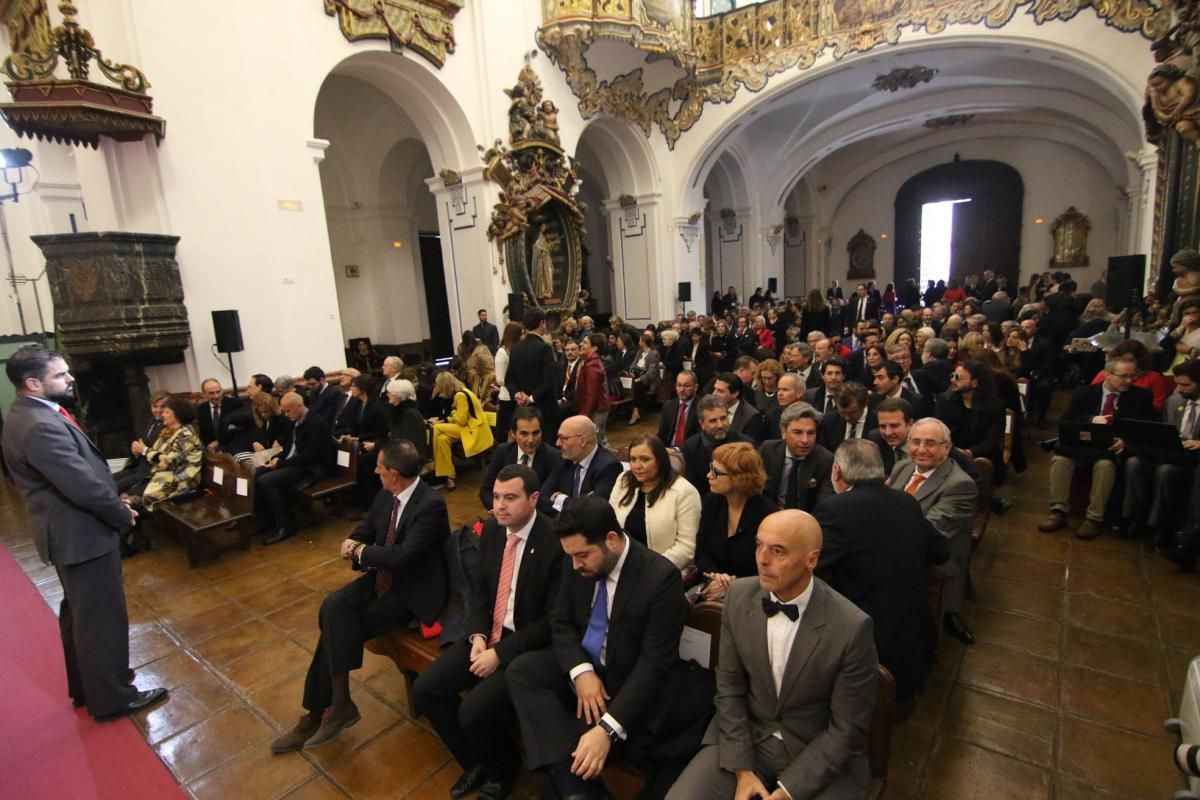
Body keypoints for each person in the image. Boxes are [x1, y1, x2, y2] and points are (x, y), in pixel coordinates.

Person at [1, 344, 167, 720]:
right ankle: (113, 698)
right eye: (59, 375)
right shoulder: (40, 425)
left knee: (80, 614)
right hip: (81, 535)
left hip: (69, 532)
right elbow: (82, 486)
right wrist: (122, 514)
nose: (70, 378)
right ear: (32, 384)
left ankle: (86, 688)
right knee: (101, 620)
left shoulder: (25, 414)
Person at [667, 509, 878, 800]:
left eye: (778, 551)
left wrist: (786, 792)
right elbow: (728, 688)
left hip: (817, 753)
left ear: (811, 559)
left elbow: (846, 730)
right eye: (759, 546)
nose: (762, 560)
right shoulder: (739, 597)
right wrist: (742, 770)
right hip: (745, 740)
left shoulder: (851, 627)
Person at [271, 440, 448, 753]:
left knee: (341, 625)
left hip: (413, 591)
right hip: (382, 578)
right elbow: (366, 529)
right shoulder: (386, 495)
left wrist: (361, 551)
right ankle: (337, 704)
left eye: (380, 468)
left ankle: (321, 711)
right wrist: (352, 541)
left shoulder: (430, 505)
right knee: (333, 606)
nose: (375, 471)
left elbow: (403, 557)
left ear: (394, 474)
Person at [506, 495, 688, 800]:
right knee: (522, 672)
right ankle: (573, 786)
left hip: (621, 684)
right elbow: (560, 622)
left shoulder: (661, 579)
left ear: (612, 540)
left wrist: (607, 729)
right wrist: (581, 672)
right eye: (571, 556)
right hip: (587, 667)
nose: (575, 564)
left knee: (568, 751)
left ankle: (568, 785)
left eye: (582, 555)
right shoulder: (577, 559)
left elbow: (654, 665)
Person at [412, 465, 563, 800]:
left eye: (510, 498)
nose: (499, 506)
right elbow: (481, 591)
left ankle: (504, 768)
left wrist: (500, 654)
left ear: (534, 499)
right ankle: (476, 762)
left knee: (474, 710)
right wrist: (478, 636)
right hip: (488, 634)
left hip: (524, 647)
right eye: (496, 497)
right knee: (427, 690)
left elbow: (553, 623)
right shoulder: (494, 530)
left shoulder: (554, 543)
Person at [814, 440, 948, 702]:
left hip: (867, 649)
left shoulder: (835, 510)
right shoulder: (906, 502)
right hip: (913, 640)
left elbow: (812, 567)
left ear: (837, 472)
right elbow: (941, 551)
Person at [1039, 358, 1158, 540]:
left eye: (1132, 376)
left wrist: (1125, 441)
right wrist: (1090, 420)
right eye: (1123, 376)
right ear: (1108, 375)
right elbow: (1067, 419)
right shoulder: (1085, 393)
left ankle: (1094, 518)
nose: (1129, 380)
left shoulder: (1140, 397)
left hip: (1111, 450)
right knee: (1060, 460)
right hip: (1082, 446)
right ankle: (1058, 511)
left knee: (1104, 466)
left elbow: (1146, 429)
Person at [888, 418, 978, 645]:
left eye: (930, 443)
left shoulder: (960, 485)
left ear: (947, 448)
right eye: (915, 442)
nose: (921, 450)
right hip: (895, 543)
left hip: (932, 557)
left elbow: (929, 532)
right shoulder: (903, 467)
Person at [1121, 358, 1200, 546]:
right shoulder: (1174, 401)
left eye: (1185, 385)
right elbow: (1164, 427)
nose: (1179, 389)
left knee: (1165, 471)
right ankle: (1132, 517)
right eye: (1177, 384)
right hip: (1168, 451)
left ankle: (1158, 526)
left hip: (1192, 459)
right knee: (1134, 463)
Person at [694, 442, 779, 600]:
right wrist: (716, 577)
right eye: (710, 468)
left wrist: (732, 586)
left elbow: (767, 566)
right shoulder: (712, 501)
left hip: (753, 593)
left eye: (716, 472)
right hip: (711, 583)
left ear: (740, 478)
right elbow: (701, 547)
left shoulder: (767, 515)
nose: (709, 475)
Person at [609, 434, 701, 570]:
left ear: (660, 460)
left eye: (645, 460)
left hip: (661, 570)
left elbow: (686, 548)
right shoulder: (624, 480)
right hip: (620, 564)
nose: (637, 466)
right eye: (632, 460)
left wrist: (651, 570)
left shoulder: (684, 492)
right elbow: (610, 524)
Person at [254, 391, 335, 544]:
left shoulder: (316, 423)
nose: (285, 414)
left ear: (299, 406)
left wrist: (281, 463)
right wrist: (277, 459)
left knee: (267, 481)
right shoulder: (294, 421)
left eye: (287, 410)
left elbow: (311, 456)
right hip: (294, 463)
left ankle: (286, 526)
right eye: (283, 411)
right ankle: (266, 521)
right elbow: (289, 446)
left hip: (310, 468)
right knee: (258, 473)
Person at [479, 406, 563, 511]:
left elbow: (549, 501)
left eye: (536, 433)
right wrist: (499, 509)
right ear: (513, 434)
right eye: (524, 434)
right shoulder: (502, 451)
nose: (531, 440)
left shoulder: (553, 457)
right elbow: (485, 490)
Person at [539, 414, 623, 515]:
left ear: (582, 441)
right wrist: (580, 503)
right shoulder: (564, 459)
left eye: (563, 438)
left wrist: (560, 499)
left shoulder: (609, 467)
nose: (557, 443)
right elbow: (541, 498)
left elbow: (593, 511)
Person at [759, 403, 834, 512]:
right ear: (784, 432)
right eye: (797, 433)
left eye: (811, 433)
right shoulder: (767, 451)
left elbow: (824, 504)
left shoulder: (825, 460)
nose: (805, 440)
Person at [935, 359, 1006, 469]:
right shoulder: (945, 400)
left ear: (975, 383)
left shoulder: (994, 406)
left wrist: (968, 453)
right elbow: (938, 430)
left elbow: (992, 441)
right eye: (953, 375)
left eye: (958, 377)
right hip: (948, 454)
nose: (953, 380)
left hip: (980, 457)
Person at [137, 396, 204, 511]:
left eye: (167, 412)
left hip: (181, 479)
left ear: (178, 416)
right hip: (164, 474)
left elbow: (170, 461)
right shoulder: (168, 431)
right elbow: (155, 455)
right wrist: (158, 456)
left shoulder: (186, 435)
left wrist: (145, 451)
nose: (162, 415)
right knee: (130, 496)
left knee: (144, 500)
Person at [430, 372, 494, 491]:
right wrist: (444, 420)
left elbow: (460, 420)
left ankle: (436, 467)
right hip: (469, 427)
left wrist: (451, 415)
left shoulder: (460, 395)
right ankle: (449, 476)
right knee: (442, 439)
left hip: (473, 430)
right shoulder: (463, 391)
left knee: (436, 428)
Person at [681, 395, 756, 495]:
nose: (720, 425)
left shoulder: (745, 445)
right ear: (701, 424)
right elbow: (693, 488)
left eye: (723, 418)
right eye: (713, 421)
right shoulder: (691, 447)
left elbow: (751, 484)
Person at [506, 308, 559, 432]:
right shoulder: (545, 348)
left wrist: (518, 395)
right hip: (544, 408)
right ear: (542, 323)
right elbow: (549, 380)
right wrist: (530, 399)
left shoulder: (515, 348)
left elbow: (509, 379)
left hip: (522, 410)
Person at [113, 391, 169, 494]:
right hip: (138, 465)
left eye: (163, 407)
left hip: (149, 471)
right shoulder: (152, 421)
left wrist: (142, 449)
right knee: (107, 480)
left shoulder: (169, 426)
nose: (158, 410)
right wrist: (136, 450)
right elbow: (144, 443)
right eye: (155, 406)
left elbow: (162, 454)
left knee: (113, 487)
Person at [817, 381, 877, 451]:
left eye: (852, 412)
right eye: (842, 412)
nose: (847, 417)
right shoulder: (828, 422)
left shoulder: (878, 423)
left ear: (865, 404)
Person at [575, 333, 612, 448]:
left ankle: (615, 464)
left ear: (594, 348)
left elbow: (591, 393)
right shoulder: (591, 362)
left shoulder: (592, 365)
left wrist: (585, 414)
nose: (581, 344)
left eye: (585, 342)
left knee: (599, 442)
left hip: (597, 410)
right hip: (597, 409)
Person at [383, 378, 429, 461]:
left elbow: (412, 443)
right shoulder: (398, 412)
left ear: (398, 394)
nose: (387, 395)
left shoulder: (409, 414)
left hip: (408, 459)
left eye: (389, 392)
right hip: (399, 453)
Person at [713, 371, 764, 443]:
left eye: (720, 391)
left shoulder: (751, 416)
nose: (714, 394)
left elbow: (749, 446)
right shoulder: (710, 408)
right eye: (715, 389)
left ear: (735, 393)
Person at [495, 321, 524, 438]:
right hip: (507, 398)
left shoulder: (516, 350)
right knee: (510, 431)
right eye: (521, 334)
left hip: (517, 396)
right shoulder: (502, 352)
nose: (523, 336)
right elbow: (500, 379)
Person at [196, 377, 243, 449]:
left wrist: (219, 442)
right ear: (204, 394)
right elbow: (202, 434)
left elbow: (241, 428)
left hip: (233, 447)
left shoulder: (235, 404)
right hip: (211, 451)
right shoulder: (201, 410)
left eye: (218, 392)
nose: (216, 396)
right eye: (211, 393)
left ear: (222, 390)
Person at [658, 369, 701, 448]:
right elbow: (662, 435)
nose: (682, 390)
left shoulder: (702, 407)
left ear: (696, 387)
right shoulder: (668, 406)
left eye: (686, 386)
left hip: (690, 452)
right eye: (679, 385)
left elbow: (700, 439)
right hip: (669, 449)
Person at [627, 333, 662, 426]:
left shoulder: (654, 354)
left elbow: (652, 372)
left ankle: (635, 412)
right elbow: (633, 364)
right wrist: (631, 372)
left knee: (637, 386)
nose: (638, 342)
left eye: (640, 340)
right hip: (636, 375)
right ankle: (630, 409)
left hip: (649, 380)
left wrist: (640, 379)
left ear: (644, 342)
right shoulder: (639, 352)